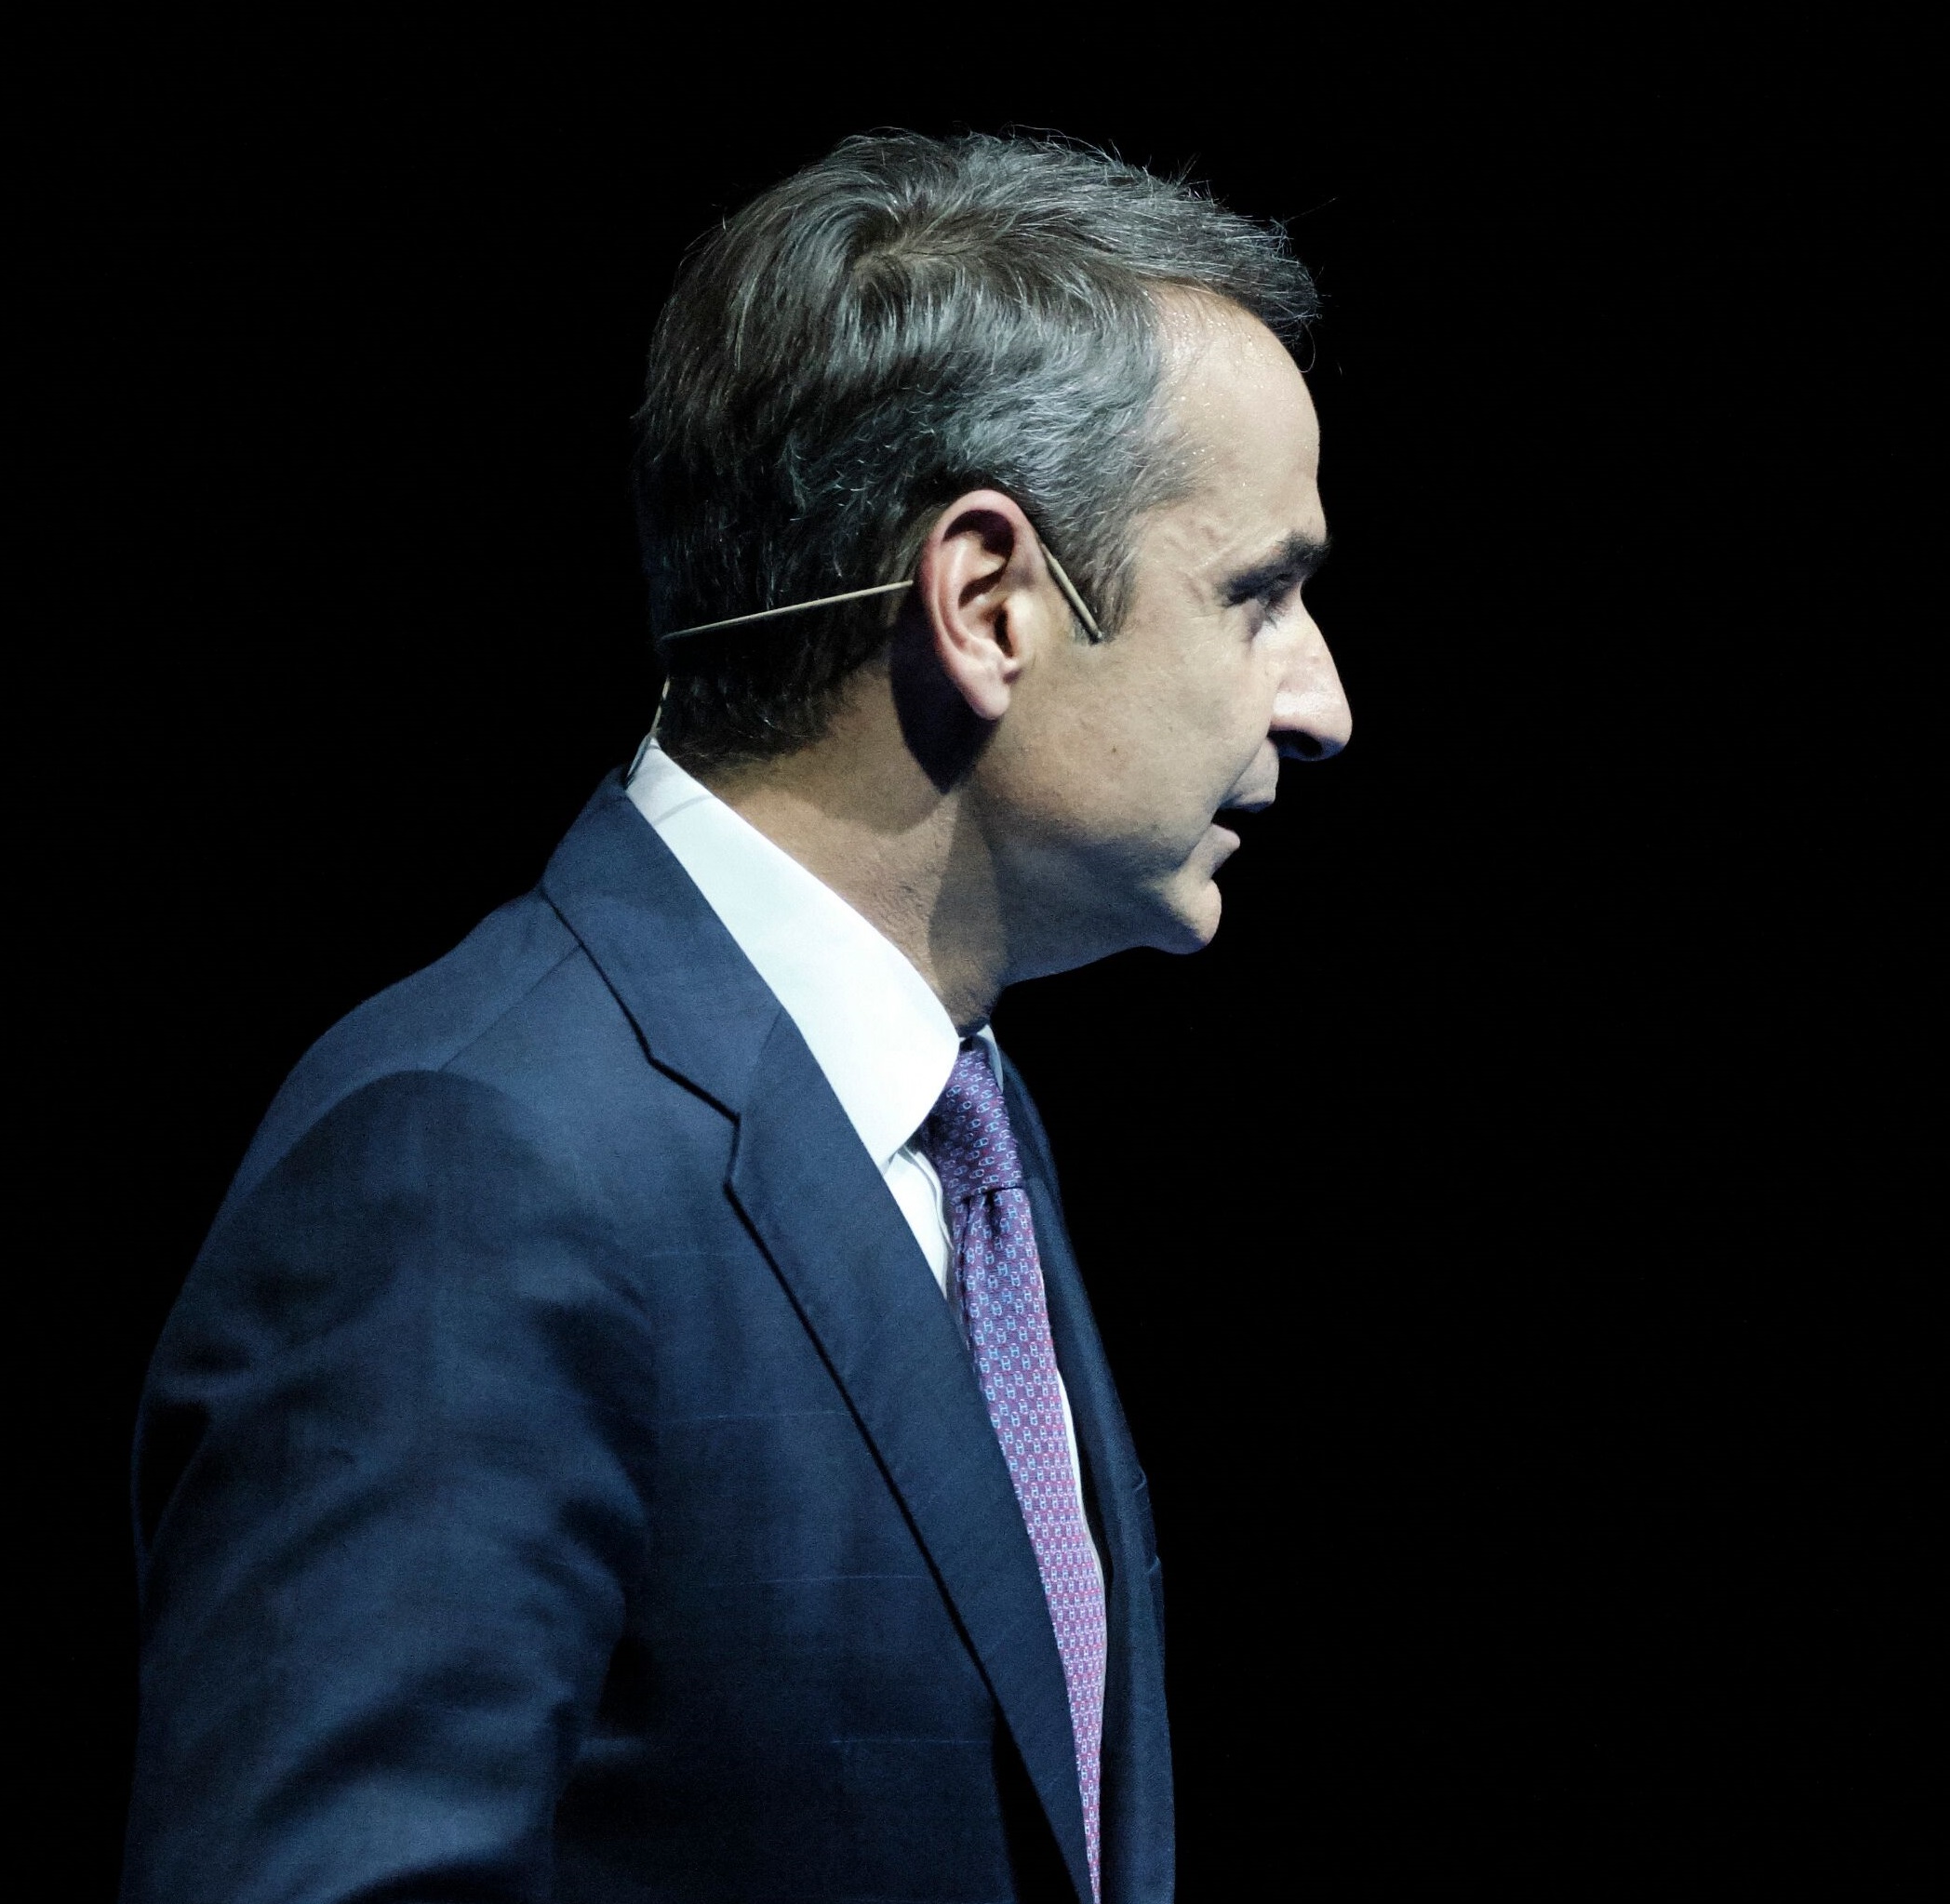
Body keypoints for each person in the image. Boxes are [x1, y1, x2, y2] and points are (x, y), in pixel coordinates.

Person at [122, 132, 1350, 1903]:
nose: (1321, 701)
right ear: (987, 600)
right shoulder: (472, 1162)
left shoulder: (960, 1124)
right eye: (1260, 595)